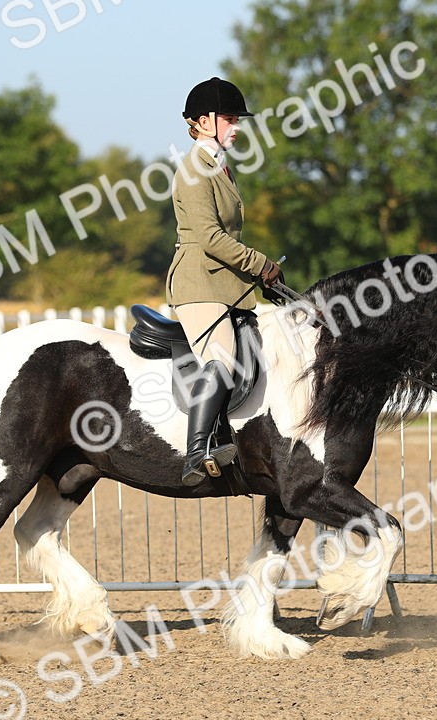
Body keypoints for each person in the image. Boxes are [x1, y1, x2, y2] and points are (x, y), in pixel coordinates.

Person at [166, 77, 282, 486]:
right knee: (222, 358)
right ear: (203, 121)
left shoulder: (217, 166)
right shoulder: (196, 169)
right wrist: (260, 263)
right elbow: (212, 238)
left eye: (236, 120)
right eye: (230, 119)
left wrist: (260, 276)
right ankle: (196, 453)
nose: (236, 127)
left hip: (224, 283)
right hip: (199, 282)